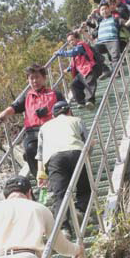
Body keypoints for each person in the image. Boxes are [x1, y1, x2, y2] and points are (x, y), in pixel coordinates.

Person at [0, 65, 64, 179]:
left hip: (52, 129)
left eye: (37, 77)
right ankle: (40, 177)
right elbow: (15, 107)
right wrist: (3, 114)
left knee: (55, 154)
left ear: (44, 78)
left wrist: (49, 112)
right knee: (30, 150)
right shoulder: (27, 96)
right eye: (31, 78)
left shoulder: (55, 94)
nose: (34, 81)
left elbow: (66, 111)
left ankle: (56, 176)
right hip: (33, 132)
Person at [36, 100, 91, 233]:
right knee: (84, 187)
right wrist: (86, 159)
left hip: (54, 158)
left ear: (53, 115)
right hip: (76, 152)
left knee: (60, 194)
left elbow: (40, 154)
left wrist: (41, 174)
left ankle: (64, 228)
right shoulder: (77, 120)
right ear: (69, 111)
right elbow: (88, 142)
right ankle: (80, 209)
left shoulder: (44, 127)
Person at [56, 31, 100, 106]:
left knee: (90, 85)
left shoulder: (81, 45)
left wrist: (60, 52)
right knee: (74, 85)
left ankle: (90, 101)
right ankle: (81, 102)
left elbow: (73, 52)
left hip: (89, 69)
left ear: (77, 39)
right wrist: (69, 69)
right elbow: (77, 63)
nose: (70, 42)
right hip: (82, 71)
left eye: (72, 40)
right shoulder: (76, 50)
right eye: (69, 41)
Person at [93, 2, 121, 74]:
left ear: (109, 9)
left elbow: (124, 23)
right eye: (102, 9)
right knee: (92, 53)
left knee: (115, 57)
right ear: (100, 12)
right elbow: (93, 20)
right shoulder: (100, 21)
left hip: (112, 40)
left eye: (106, 9)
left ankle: (116, 72)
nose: (104, 11)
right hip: (101, 42)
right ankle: (105, 70)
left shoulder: (115, 18)